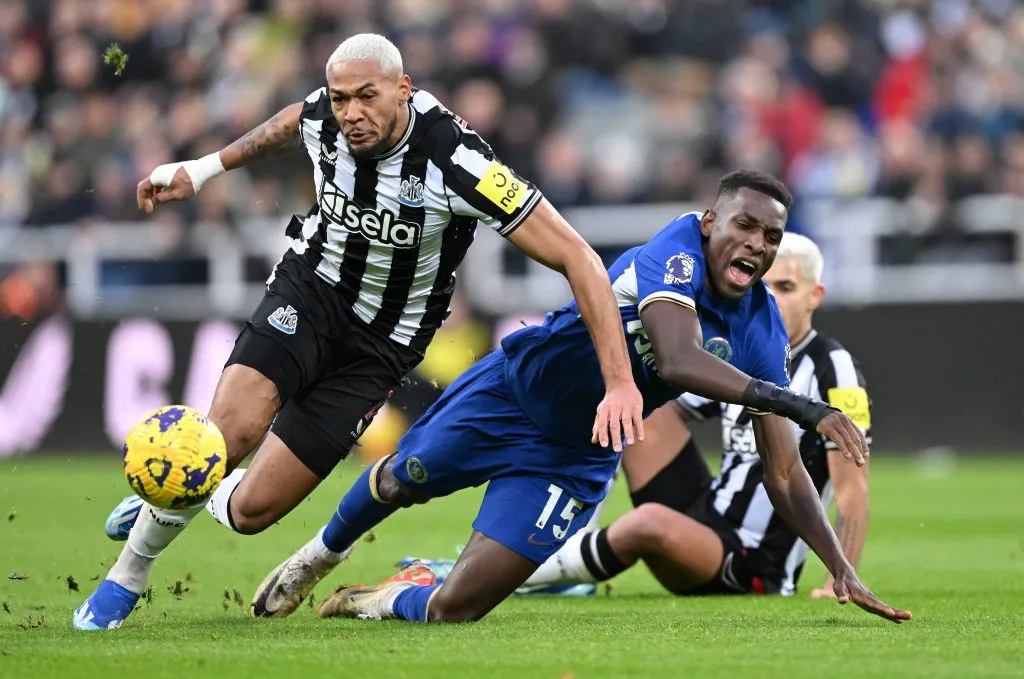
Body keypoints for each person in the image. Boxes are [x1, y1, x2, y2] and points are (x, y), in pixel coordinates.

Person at [73, 33, 646, 631]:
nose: (351, 113)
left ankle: (192, 487)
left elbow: (578, 257)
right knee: (230, 430)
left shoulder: (457, 161)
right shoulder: (327, 116)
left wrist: (618, 380)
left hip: (382, 347)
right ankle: (127, 577)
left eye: (366, 97)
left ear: (403, 89)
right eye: (341, 98)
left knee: (251, 512)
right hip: (309, 290)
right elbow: (293, 122)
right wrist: (204, 168)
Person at [248, 170, 911, 626]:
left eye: (770, 238)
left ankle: (377, 600)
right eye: (746, 225)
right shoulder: (676, 250)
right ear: (711, 222)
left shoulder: (761, 326)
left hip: (575, 454)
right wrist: (804, 404)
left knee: (456, 609)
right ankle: (318, 556)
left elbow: (786, 471)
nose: (757, 245)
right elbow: (678, 357)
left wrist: (839, 565)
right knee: (400, 478)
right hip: (513, 392)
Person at [431, 232, 875, 599]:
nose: (771, 299)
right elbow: (675, 409)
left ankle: (524, 572)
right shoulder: (744, 350)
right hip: (709, 511)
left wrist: (838, 575)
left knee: (646, 524)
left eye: (787, 288)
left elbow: (852, 488)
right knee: (631, 411)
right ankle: (561, 533)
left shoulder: (832, 367)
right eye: (768, 286)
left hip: (753, 559)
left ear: (816, 296)